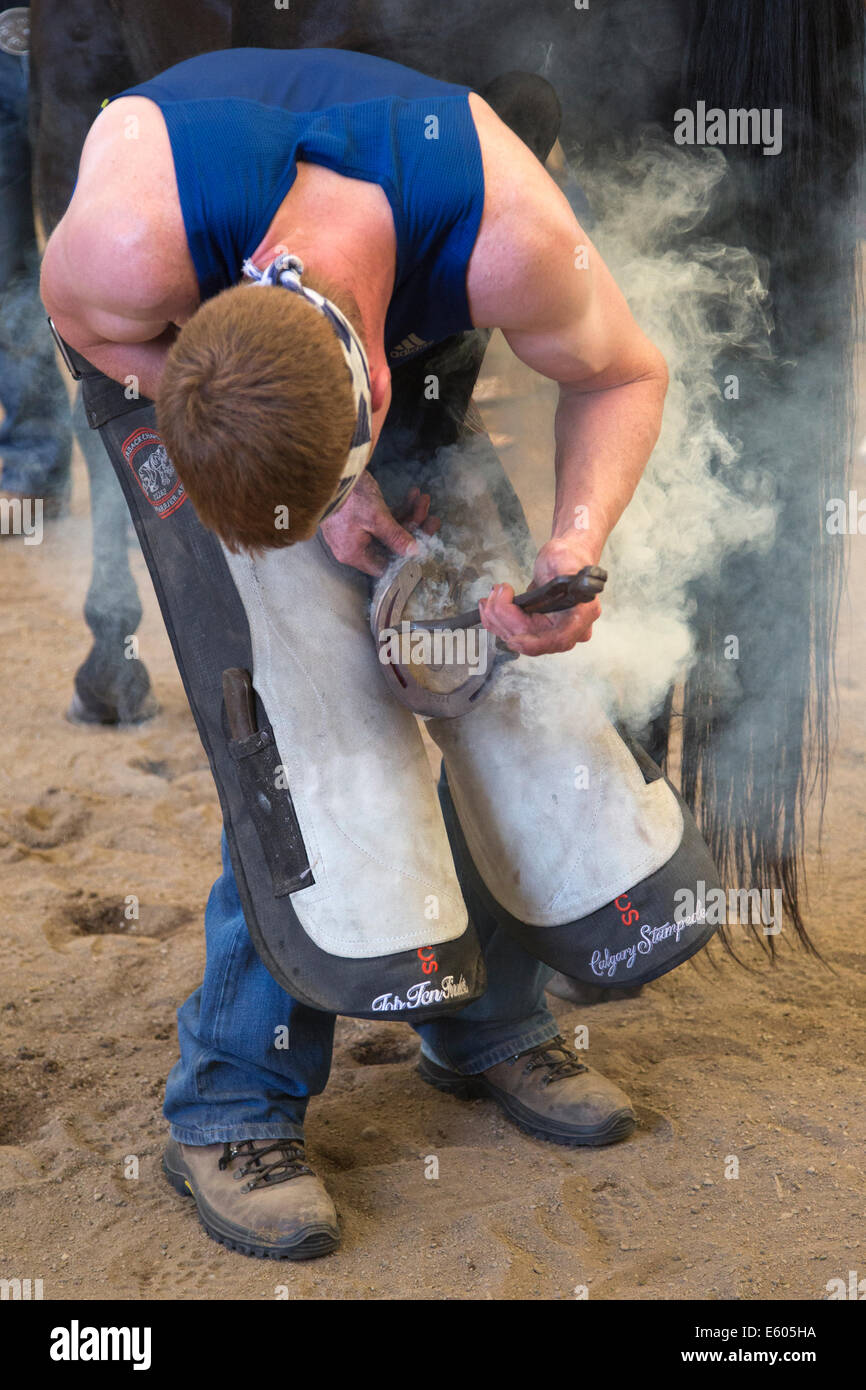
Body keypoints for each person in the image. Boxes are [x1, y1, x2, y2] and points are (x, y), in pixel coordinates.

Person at [41, 48, 669, 1261]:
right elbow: (84, 322)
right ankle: (232, 1100)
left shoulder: (507, 240)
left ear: (376, 381)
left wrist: (571, 548)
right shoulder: (127, 247)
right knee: (306, 705)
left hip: (399, 296)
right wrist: (294, 499)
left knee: (468, 654)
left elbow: (623, 371)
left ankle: (483, 1019)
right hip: (171, 355)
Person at [0, 4, 71, 527]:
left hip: (91, 29)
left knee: (139, 256)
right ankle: (34, 474)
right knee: (7, 272)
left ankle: (166, 480)